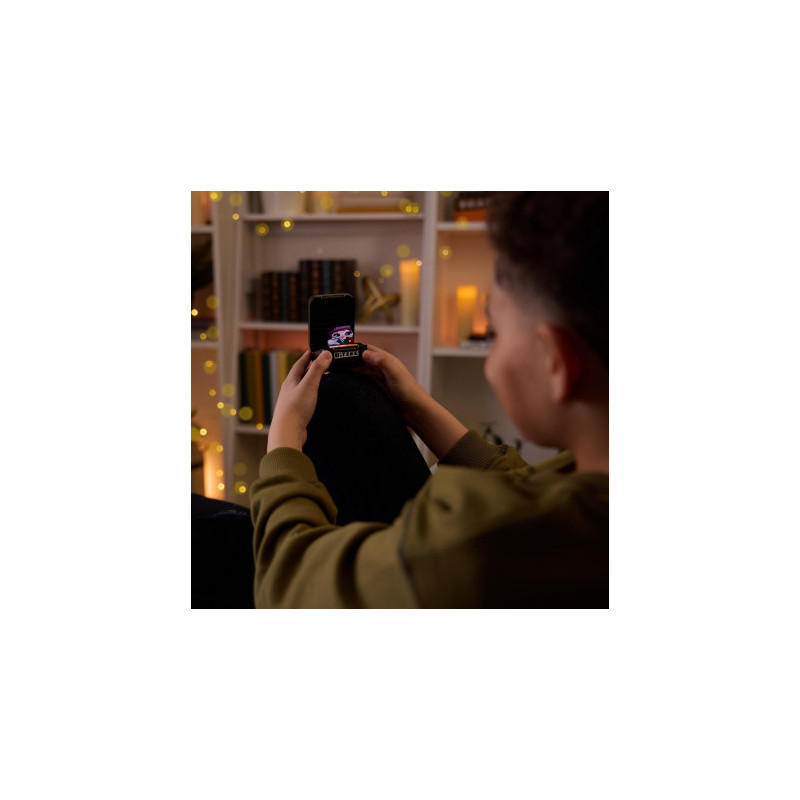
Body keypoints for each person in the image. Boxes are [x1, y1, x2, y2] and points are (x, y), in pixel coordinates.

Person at [250, 191, 609, 608]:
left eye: (495, 333)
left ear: (556, 362)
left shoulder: (480, 537)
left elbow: (289, 584)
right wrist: (416, 406)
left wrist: (284, 439)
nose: (491, 360)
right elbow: (530, 481)